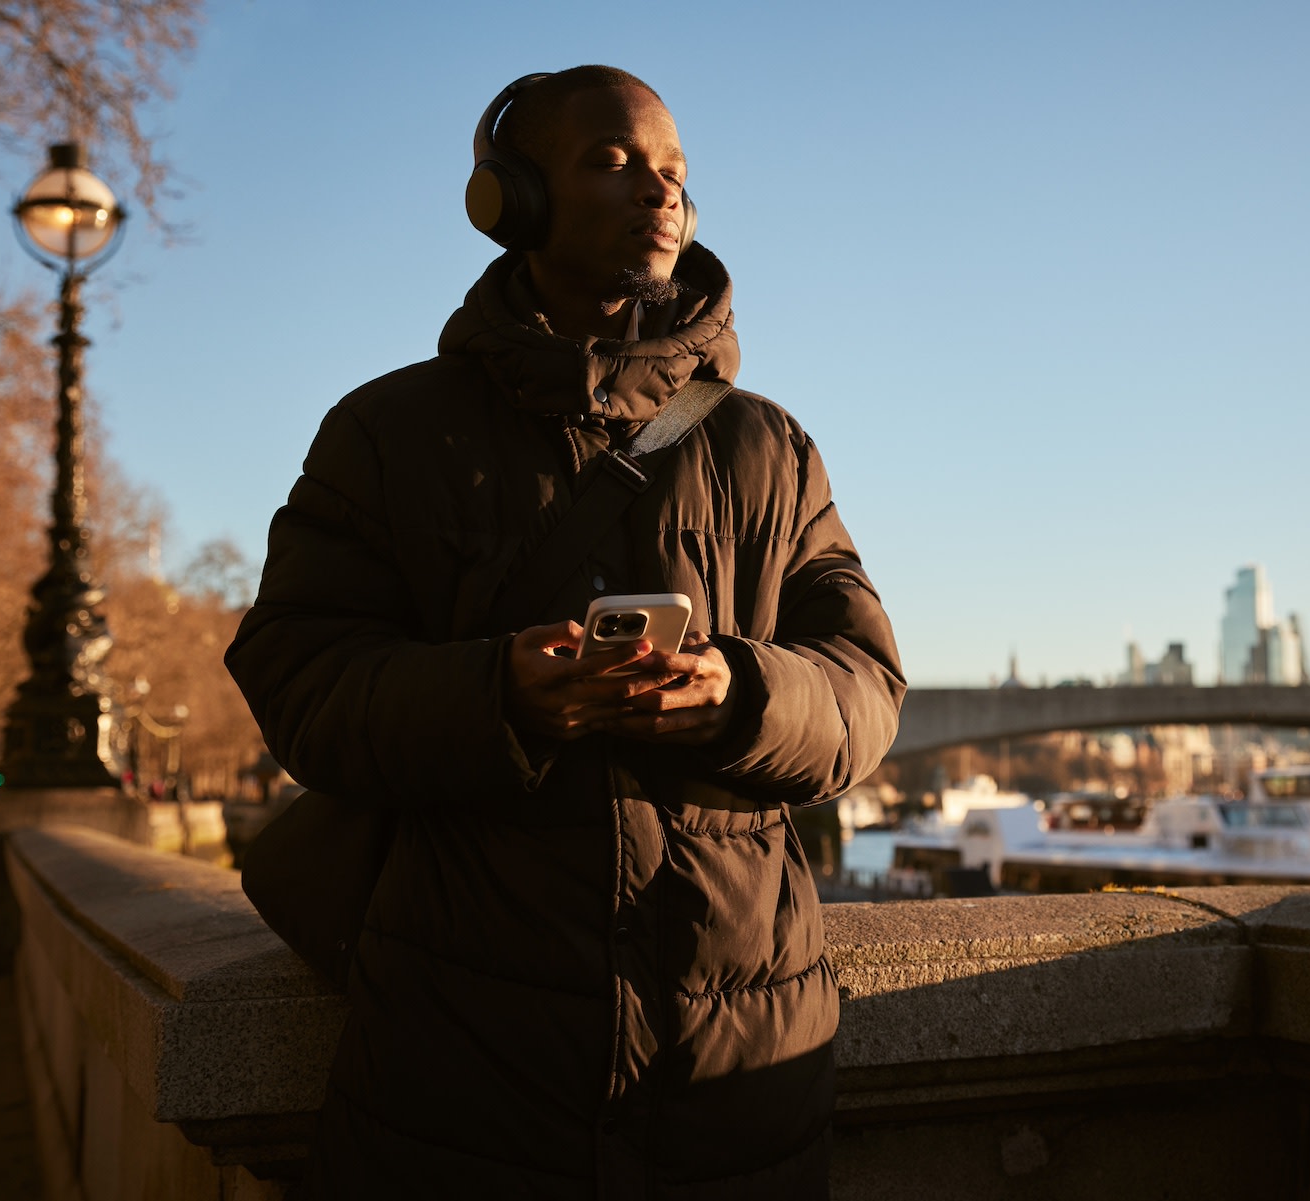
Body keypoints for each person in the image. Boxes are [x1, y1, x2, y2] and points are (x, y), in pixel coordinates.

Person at [225, 65, 903, 1199]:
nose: (662, 192)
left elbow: (866, 688)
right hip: (459, 1058)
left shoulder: (770, 448)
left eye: (676, 172)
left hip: (734, 1069)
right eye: (613, 160)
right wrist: (499, 696)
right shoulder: (387, 432)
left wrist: (737, 694)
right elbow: (297, 673)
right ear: (511, 200)